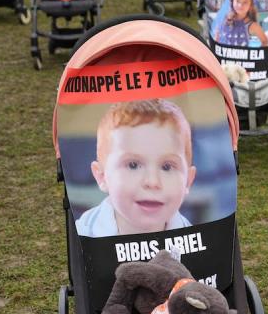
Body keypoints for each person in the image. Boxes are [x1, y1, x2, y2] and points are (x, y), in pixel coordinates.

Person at [76, 99, 197, 237]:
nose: (152, 182)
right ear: (102, 176)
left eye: (167, 167)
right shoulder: (85, 233)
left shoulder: (190, 236)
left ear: (188, 180)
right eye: (133, 165)